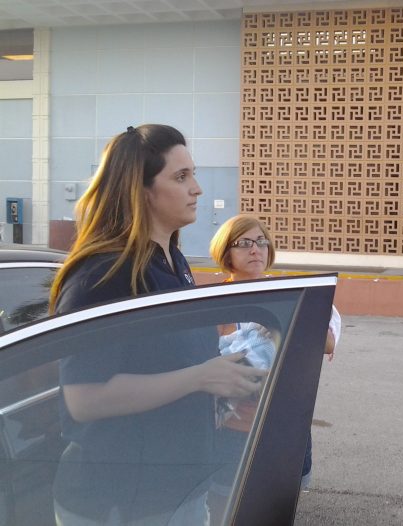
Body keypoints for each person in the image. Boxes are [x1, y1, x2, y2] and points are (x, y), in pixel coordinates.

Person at [49, 124, 266, 525]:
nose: (197, 188)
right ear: (142, 190)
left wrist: (225, 378)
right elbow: (84, 399)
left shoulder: (172, 261)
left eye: (193, 174)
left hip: (177, 489)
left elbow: (169, 362)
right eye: (181, 177)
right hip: (120, 500)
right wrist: (201, 378)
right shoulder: (103, 275)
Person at [209, 214, 341, 492]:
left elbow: (327, 343)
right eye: (243, 242)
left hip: (284, 425)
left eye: (261, 241)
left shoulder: (288, 294)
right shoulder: (213, 302)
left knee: (278, 503)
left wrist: (286, 322)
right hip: (233, 433)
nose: (255, 249)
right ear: (226, 252)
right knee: (228, 503)